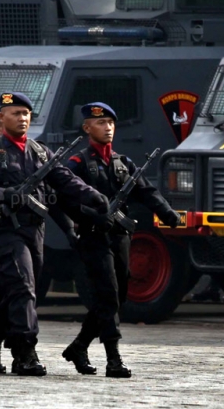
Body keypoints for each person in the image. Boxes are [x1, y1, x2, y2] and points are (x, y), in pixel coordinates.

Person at [0, 92, 107, 377]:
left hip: (33, 229)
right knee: (22, 288)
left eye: (26, 113)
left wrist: (92, 196)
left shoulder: (40, 152)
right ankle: (24, 352)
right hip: (3, 230)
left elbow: (65, 180)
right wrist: (4, 194)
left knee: (23, 292)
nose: (22, 118)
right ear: (1, 118)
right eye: (15, 113)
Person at [62, 102, 180, 378]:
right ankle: (113, 358)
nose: (108, 128)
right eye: (101, 123)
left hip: (120, 236)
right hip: (93, 237)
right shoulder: (78, 164)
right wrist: (92, 215)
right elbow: (65, 199)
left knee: (117, 296)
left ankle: (79, 346)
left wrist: (167, 213)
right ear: (87, 128)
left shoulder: (122, 163)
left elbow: (146, 191)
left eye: (111, 123)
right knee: (108, 294)